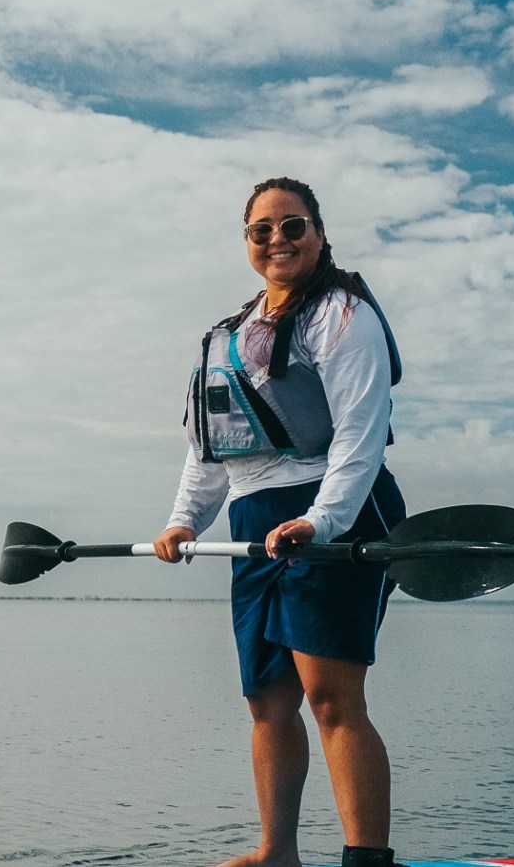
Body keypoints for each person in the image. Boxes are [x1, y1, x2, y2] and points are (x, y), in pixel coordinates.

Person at [154, 177, 407, 867]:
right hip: (253, 522)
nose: (277, 240)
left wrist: (321, 521)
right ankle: (278, 851)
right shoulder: (229, 335)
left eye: (292, 226)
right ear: (247, 242)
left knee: (331, 697)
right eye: (261, 229)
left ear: (318, 233)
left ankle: (365, 859)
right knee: (268, 699)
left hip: (341, 511)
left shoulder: (343, 314)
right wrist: (183, 523)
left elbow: (361, 432)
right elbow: (210, 448)